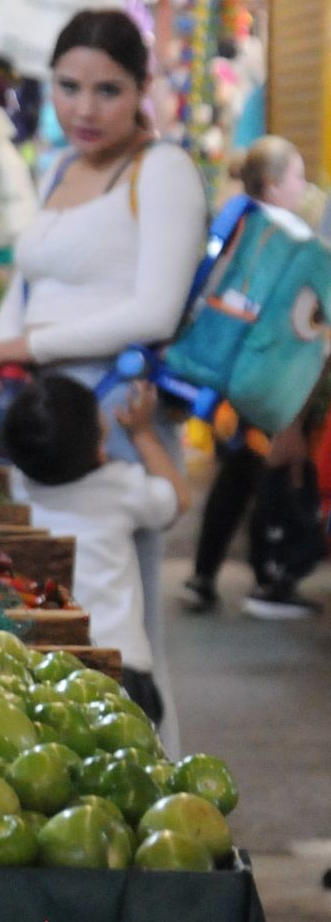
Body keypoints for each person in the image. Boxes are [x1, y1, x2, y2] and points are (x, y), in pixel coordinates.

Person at [0, 8, 208, 755]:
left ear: (141, 89)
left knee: (126, 636)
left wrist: (18, 343)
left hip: (116, 429)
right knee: (50, 623)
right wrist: (0, 357)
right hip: (38, 426)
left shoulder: (162, 171)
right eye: (68, 86)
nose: (84, 108)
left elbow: (153, 310)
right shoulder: (58, 166)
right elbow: (30, 279)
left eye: (108, 89)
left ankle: (167, 804)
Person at [0, 376, 192, 725]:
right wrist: (143, 433)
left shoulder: (16, 485)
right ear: (100, 450)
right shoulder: (119, 486)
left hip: (46, 665)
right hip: (121, 667)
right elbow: (177, 499)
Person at [187, 135, 324, 618]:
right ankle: (271, 579)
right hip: (266, 383)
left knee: (238, 475)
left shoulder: (241, 225)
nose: (304, 186)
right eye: (297, 177)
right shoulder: (287, 241)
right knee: (267, 473)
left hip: (231, 382)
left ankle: (206, 573)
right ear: (273, 184)